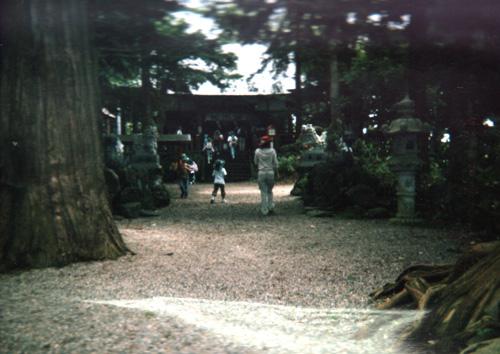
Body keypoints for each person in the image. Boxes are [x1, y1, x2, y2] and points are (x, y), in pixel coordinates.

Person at [254, 135, 278, 215]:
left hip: (261, 172)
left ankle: (264, 210)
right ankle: (270, 207)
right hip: (271, 172)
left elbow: (255, 162)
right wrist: (277, 173)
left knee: (263, 191)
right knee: (270, 191)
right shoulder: (272, 151)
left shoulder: (257, 151)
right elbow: (275, 163)